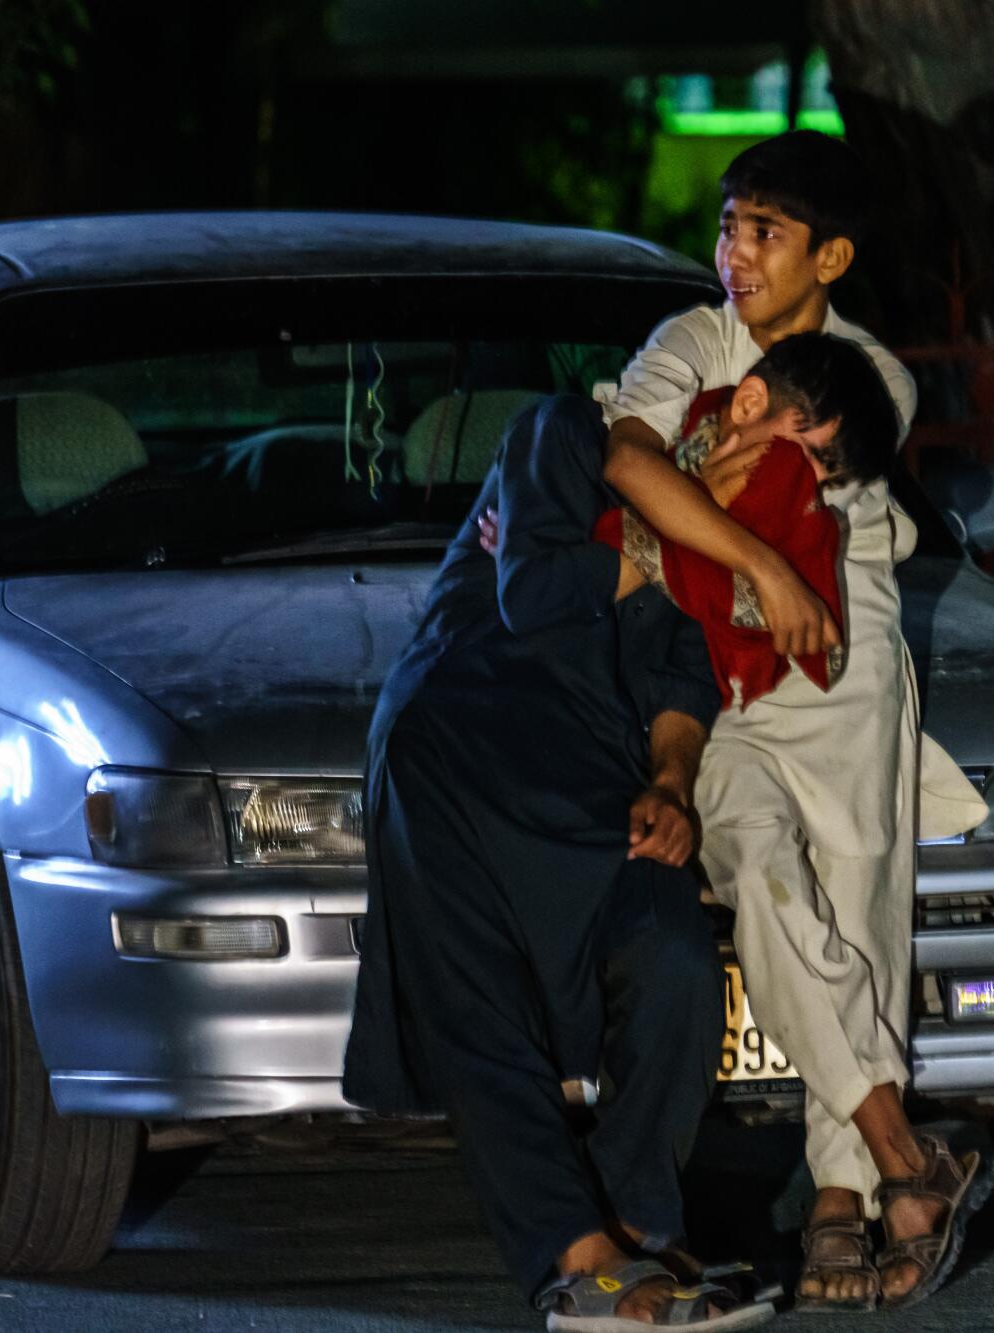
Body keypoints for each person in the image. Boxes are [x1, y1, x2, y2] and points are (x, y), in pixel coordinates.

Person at [595, 131, 993, 1311]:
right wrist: (759, 567)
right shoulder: (685, 341)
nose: (734, 253)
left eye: (763, 232)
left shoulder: (868, 375)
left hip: (844, 665)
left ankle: (843, 1199)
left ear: (831, 255)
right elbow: (630, 462)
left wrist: (713, 508)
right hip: (726, 681)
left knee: (852, 913)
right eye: (728, 227)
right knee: (763, 881)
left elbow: (708, 484)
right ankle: (901, 1163)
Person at [343, 391, 812, 1331]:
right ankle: (580, 1254)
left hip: (590, 775)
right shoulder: (562, 434)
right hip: (456, 745)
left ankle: (637, 1222)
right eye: (746, 421)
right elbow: (536, 593)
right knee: (484, 1015)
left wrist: (672, 787)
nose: (749, 452)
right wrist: (670, 533)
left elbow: (683, 682)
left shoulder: (712, 546)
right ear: (697, 411)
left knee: (674, 951)